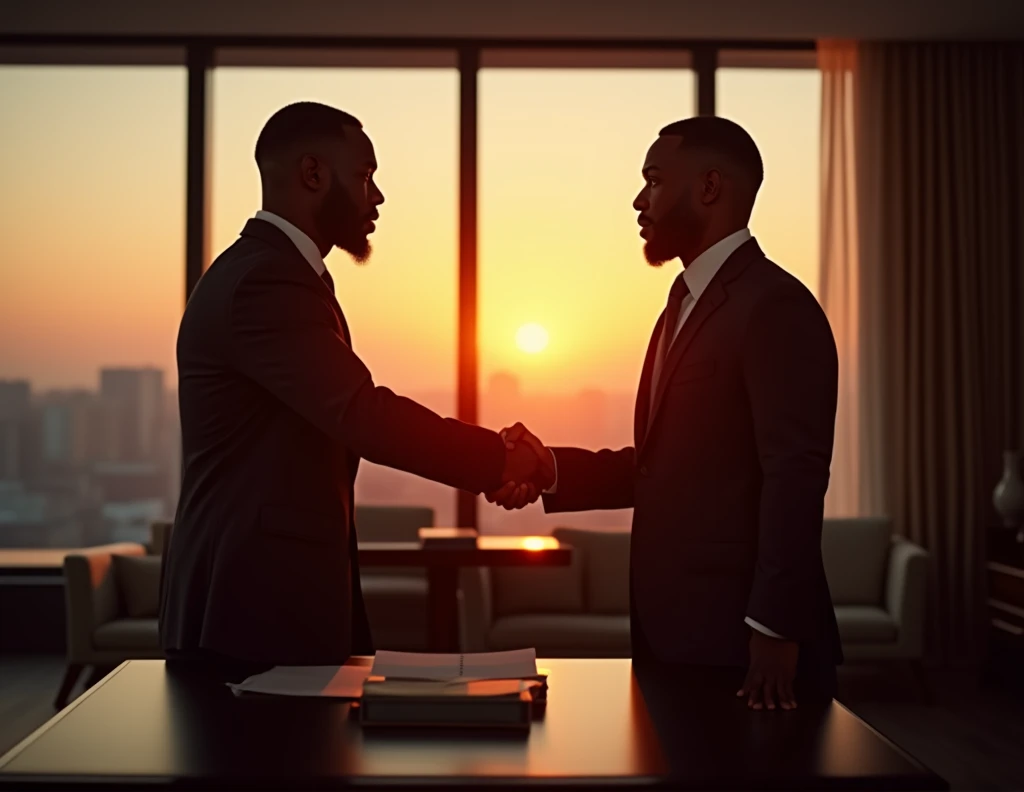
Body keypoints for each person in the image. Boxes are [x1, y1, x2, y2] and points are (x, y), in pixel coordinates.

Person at [159, 102, 552, 677]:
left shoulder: (276, 274)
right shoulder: (266, 281)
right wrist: (499, 459)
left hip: (262, 599)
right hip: (246, 607)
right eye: (365, 175)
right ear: (313, 174)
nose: (378, 196)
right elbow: (363, 413)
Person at [492, 116, 842, 709]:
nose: (638, 200)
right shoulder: (682, 304)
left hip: (745, 647)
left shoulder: (776, 306)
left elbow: (795, 478)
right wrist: (551, 466)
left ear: (710, 188)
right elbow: (665, 465)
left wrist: (776, 629)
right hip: (673, 633)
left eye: (653, 180)